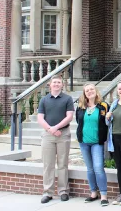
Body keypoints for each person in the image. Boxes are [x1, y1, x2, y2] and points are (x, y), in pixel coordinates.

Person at [37, 75, 74, 204]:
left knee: (63, 164)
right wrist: (50, 129)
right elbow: (40, 118)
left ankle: (63, 191)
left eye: (59, 82)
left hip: (63, 134)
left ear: (62, 85)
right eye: (54, 82)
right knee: (48, 164)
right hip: (48, 135)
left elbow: (69, 117)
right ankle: (48, 192)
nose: (56, 84)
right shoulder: (44, 100)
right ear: (50, 85)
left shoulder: (67, 99)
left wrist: (57, 127)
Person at [75, 83, 109, 206]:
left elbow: (107, 122)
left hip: (97, 143)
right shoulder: (80, 107)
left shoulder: (103, 106)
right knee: (89, 169)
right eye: (87, 90)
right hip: (84, 142)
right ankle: (93, 193)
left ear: (96, 91)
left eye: (92, 89)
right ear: (85, 94)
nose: (90, 92)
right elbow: (78, 121)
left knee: (98, 168)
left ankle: (104, 195)